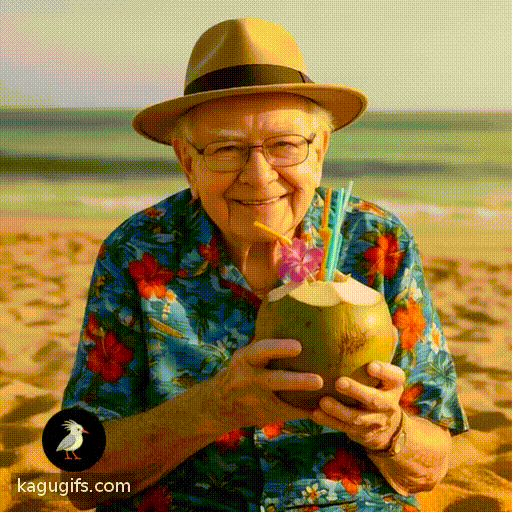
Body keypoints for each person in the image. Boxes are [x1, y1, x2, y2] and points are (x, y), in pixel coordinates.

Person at [62, 18, 468, 512]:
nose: (258, 176)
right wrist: (213, 408)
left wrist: (389, 429)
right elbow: (79, 480)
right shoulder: (138, 250)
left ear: (320, 148)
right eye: (227, 148)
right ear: (187, 161)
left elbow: (431, 468)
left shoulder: (378, 242)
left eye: (285, 145)